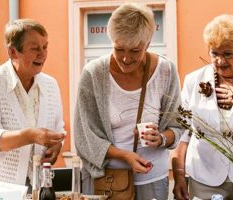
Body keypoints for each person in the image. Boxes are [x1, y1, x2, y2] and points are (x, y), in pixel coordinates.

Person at [74, 3, 183, 200]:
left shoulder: (166, 71)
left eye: (134, 51)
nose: (125, 58)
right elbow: (85, 137)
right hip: (106, 181)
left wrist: (160, 138)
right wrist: (124, 156)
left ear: (148, 44)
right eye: (119, 48)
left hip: (153, 179)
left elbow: (178, 125)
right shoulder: (93, 74)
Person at [0, 19, 66, 190]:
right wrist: (32, 135)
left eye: (45, 47)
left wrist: (56, 145)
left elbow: (58, 129)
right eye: (35, 48)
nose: (42, 54)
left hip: (37, 188)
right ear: (13, 52)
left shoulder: (51, 85)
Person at [172, 14, 233, 200]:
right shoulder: (193, 81)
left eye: (227, 54)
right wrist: (179, 177)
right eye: (214, 53)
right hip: (204, 178)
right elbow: (183, 133)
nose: (220, 61)